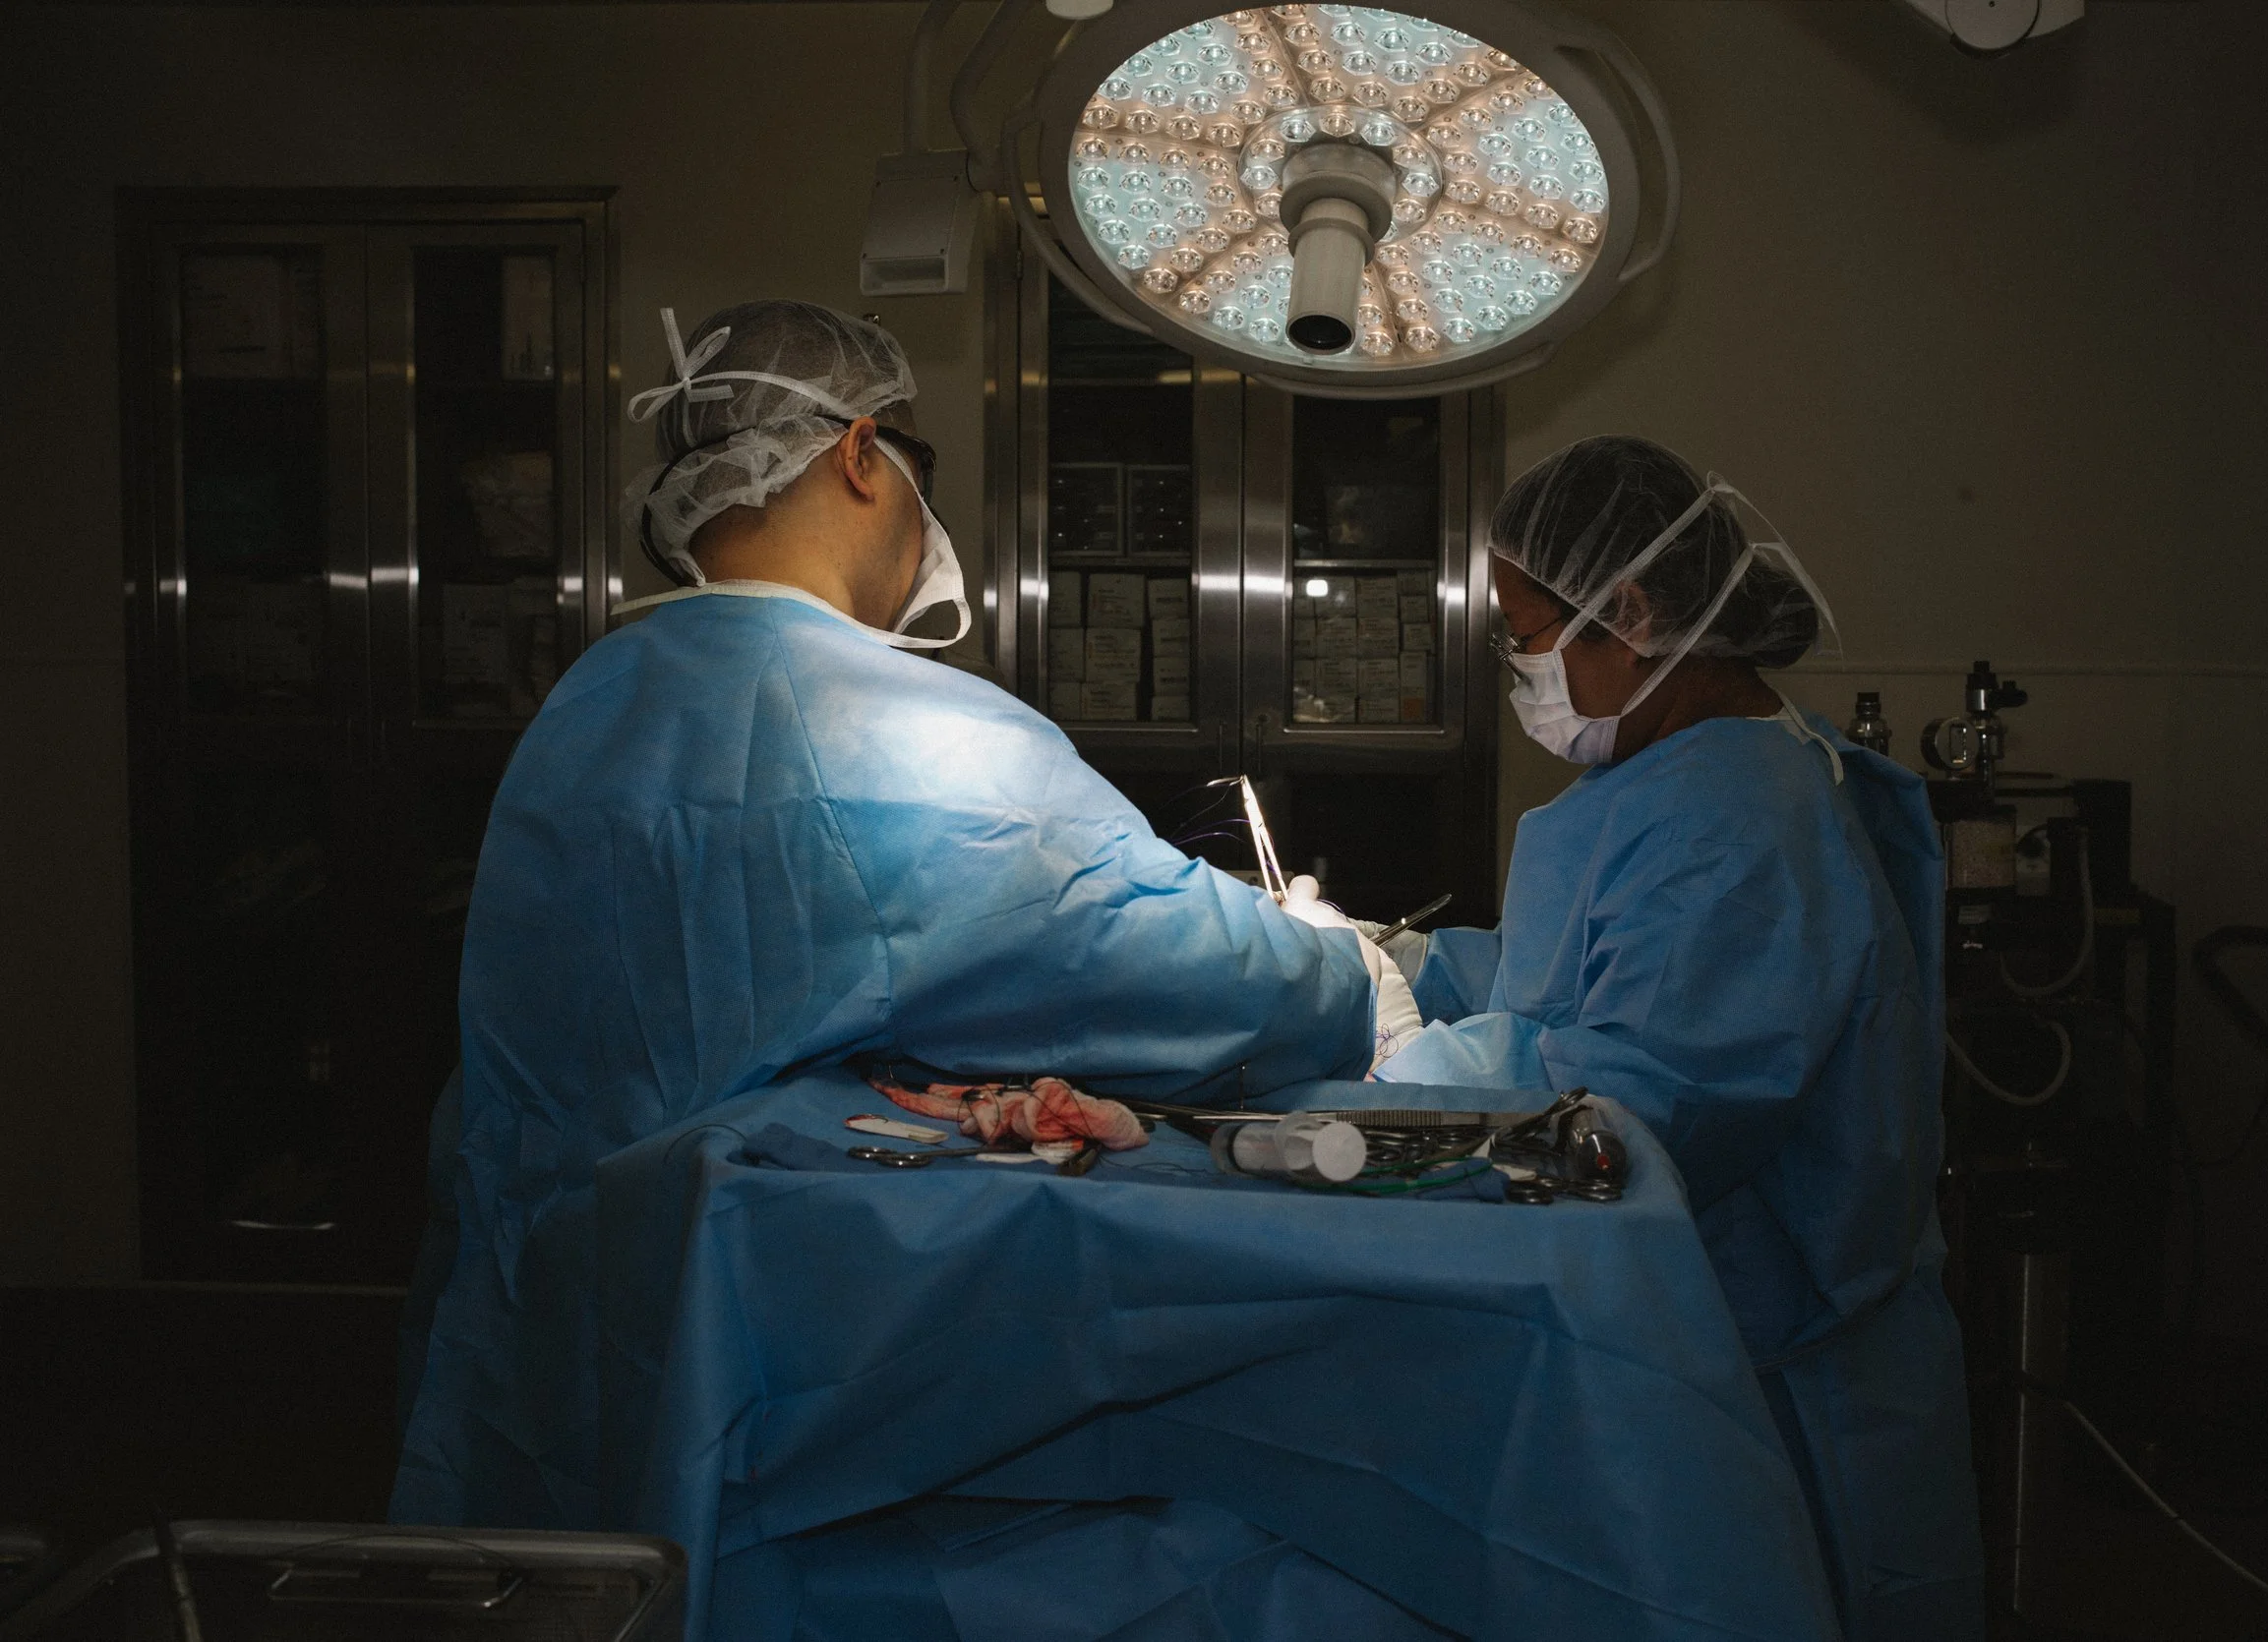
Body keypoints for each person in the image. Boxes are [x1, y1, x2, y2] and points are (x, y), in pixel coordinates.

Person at [393, 300, 1413, 1527]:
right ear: (861, 455)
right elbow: (1141, 943)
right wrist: (1340, 970)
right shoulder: (896, 731)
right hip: (762, 1355)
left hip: (543, 1310)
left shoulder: (588, 705)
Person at [1375, 436, 1985, 1642]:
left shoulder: (1736, 815)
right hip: (1716, 1331)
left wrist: (1404, 1065)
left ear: (1633, 610)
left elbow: (1644, 1099)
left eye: (1527, 632)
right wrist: (1403, 964)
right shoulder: (1689, 780)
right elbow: (1574, 978)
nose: (1520, 667)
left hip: (1780, 1369)